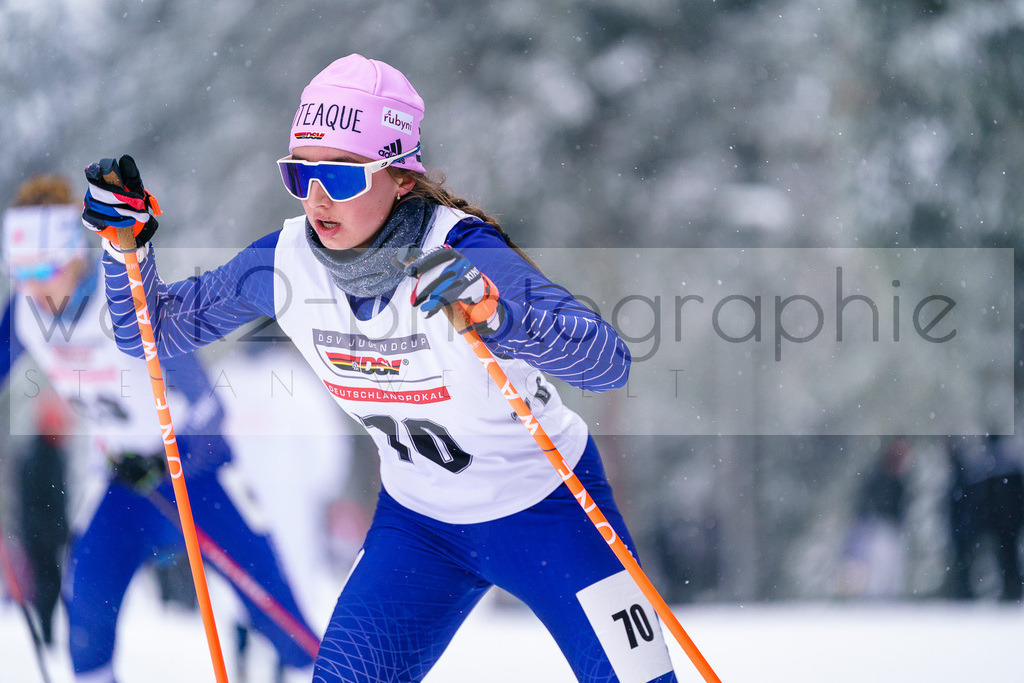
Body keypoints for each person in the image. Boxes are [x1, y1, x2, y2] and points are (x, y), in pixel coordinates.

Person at [82, 54, 678, 682]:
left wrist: (501, 318)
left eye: (340, 177)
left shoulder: (461, 252)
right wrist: (127, 249)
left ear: (399, 177)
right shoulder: (285, 263)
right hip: (420, 530)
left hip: (549, 512)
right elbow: (153, 333)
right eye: (299, 174)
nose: (316, 197)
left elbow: (607, 362)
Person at [1, 174, 318, 681]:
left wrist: (179, 459)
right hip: (124, 483)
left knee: (276, 610)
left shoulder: (121, 307)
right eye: (22, 271)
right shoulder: (23, 315)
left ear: (76, 257)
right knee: (85, 609)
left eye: (46, 267)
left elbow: (210, 407)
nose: (36, 285)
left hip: (196, 475)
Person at [16, 393, 71, 645]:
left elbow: (58, 500)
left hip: (50, 532)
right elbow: (33, 501)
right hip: (39, 534)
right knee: (47, 583)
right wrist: (47, 530)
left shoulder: (54, 455)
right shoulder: (36, 456)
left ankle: (48, 633)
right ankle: (45, 635)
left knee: (53, 582)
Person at [947, 434, 1024, 602]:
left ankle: (1009, 590)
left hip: (998, 524)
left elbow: (979, 500)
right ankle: (1012, 590)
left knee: (1003, 557)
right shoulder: (1008, 466)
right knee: (1008, 557)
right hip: (1008, 524)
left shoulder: (987, 467)